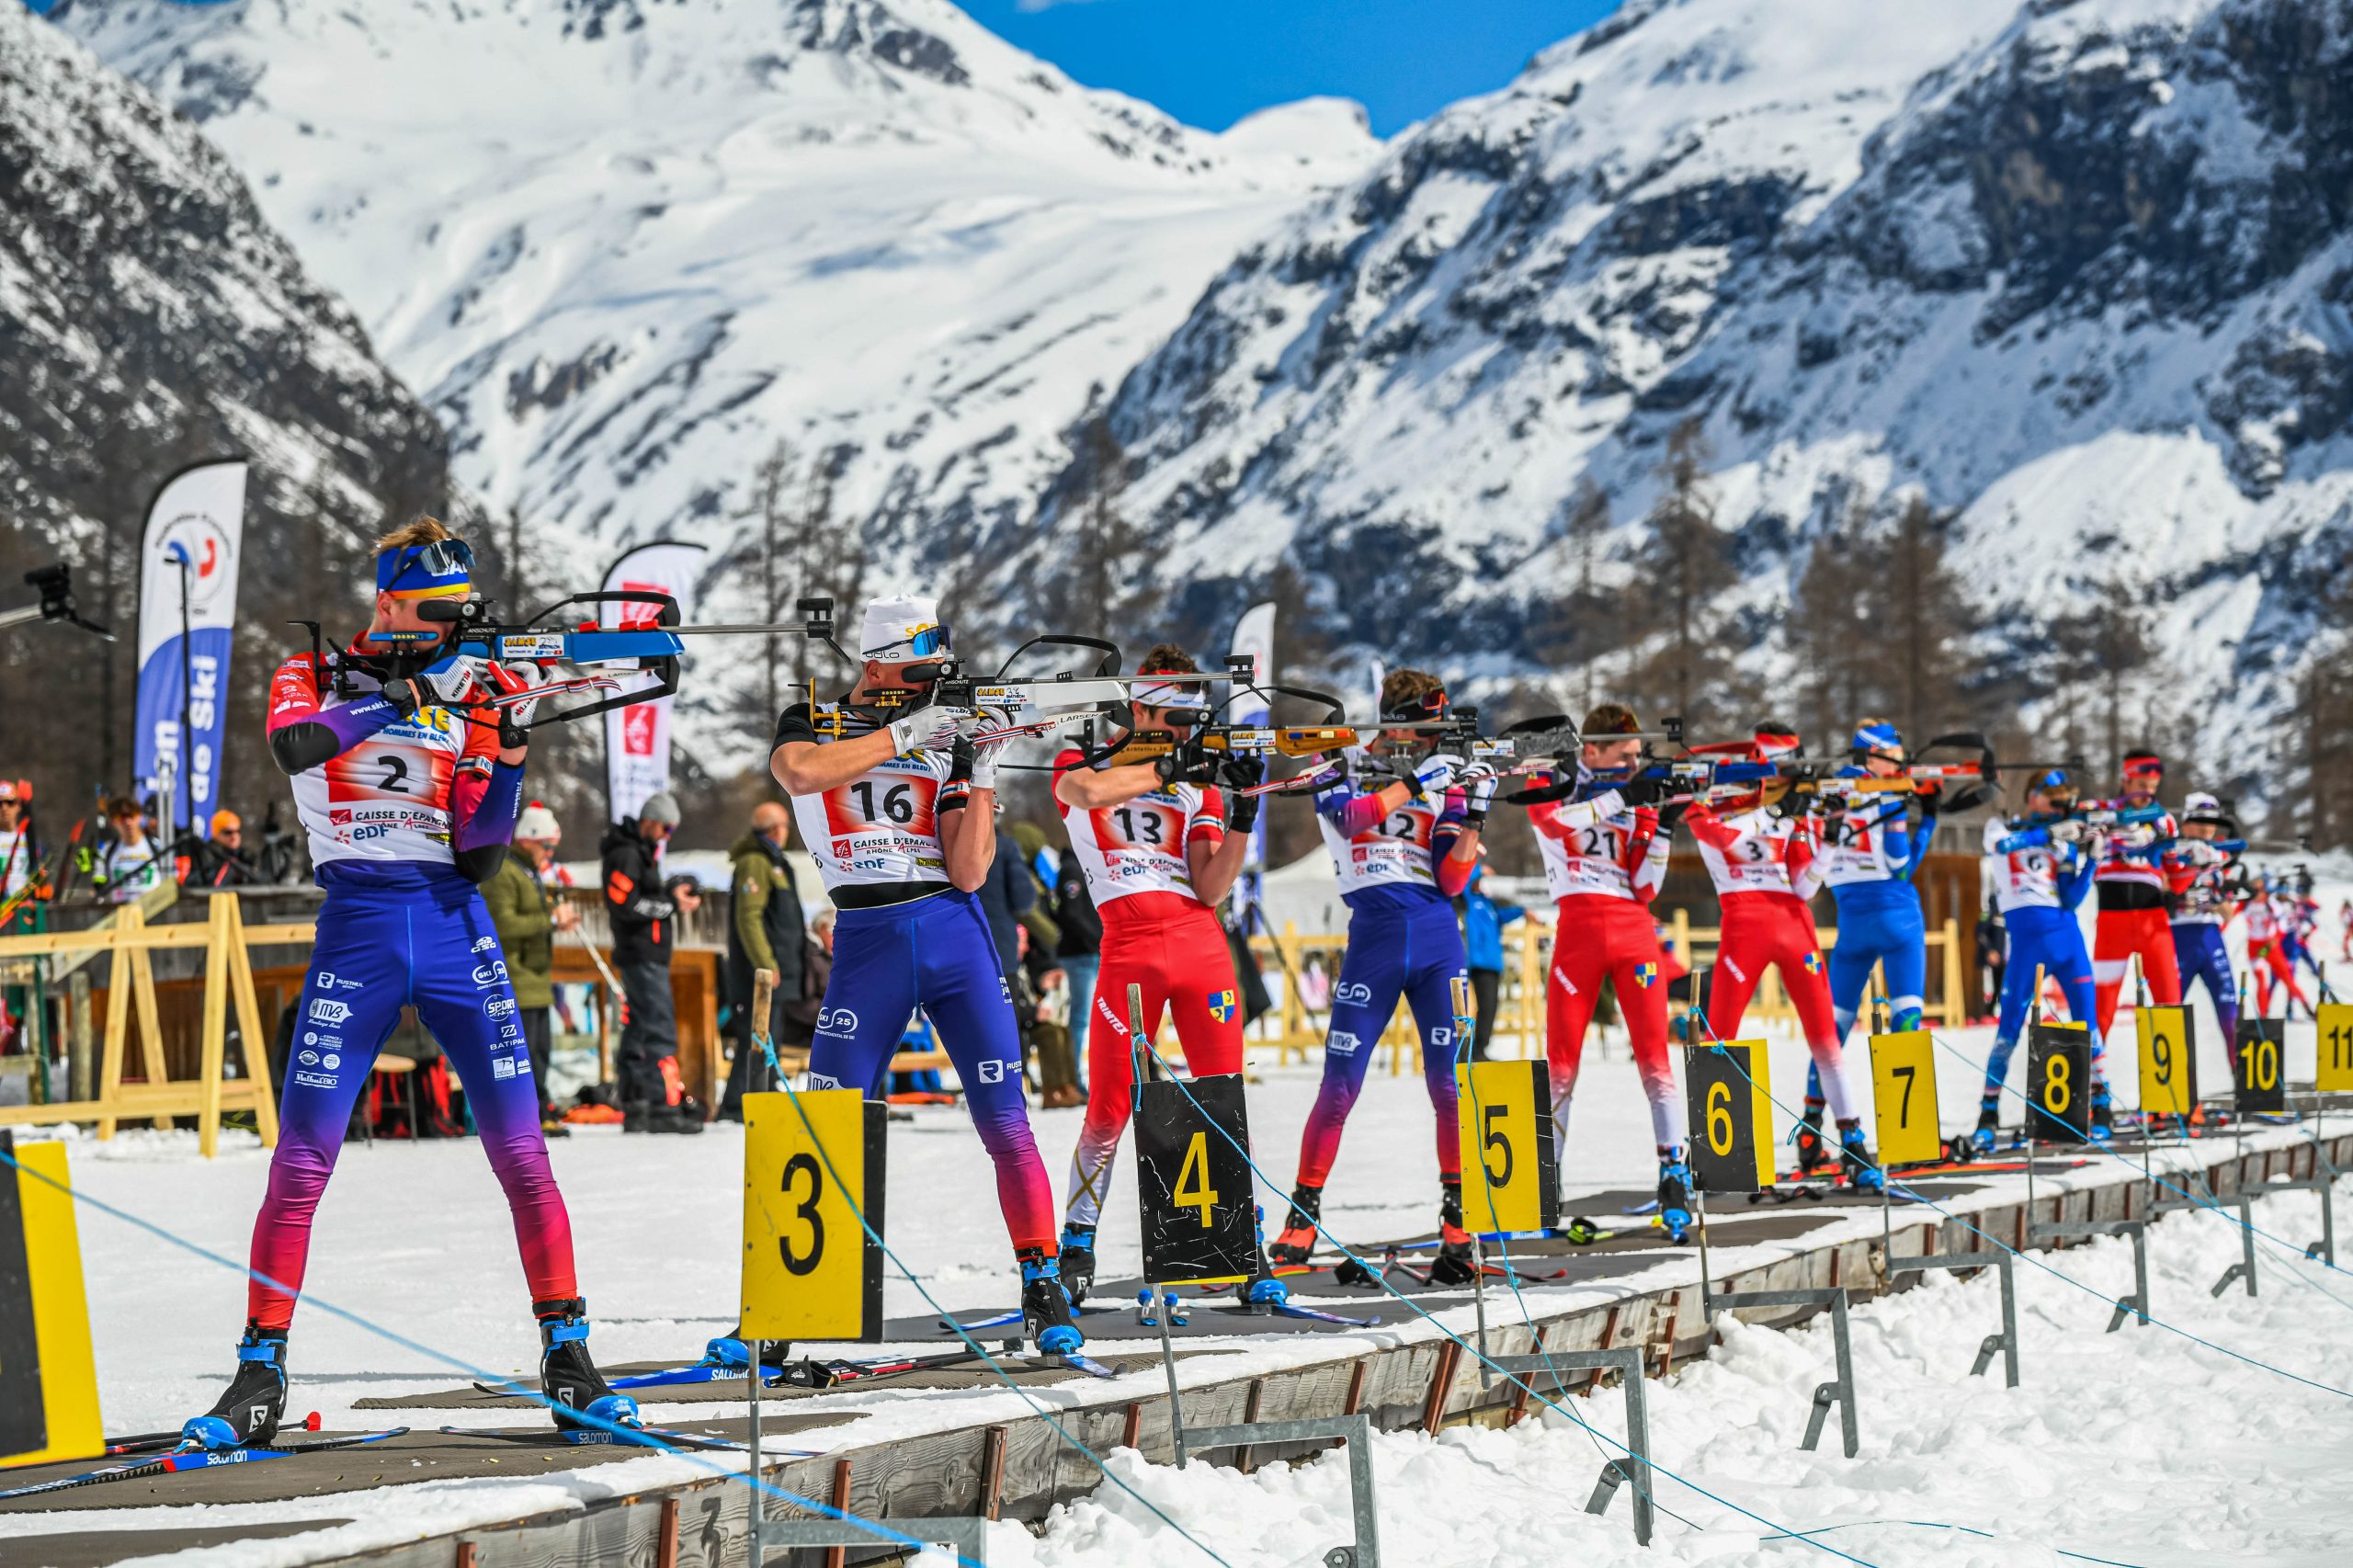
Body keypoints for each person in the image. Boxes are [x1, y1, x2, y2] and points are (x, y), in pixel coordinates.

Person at [188, 517, 631, 1449]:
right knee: (303, 1156)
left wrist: (506, 748)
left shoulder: (463, 685)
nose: (445, 628)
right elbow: (299, 746)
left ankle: (569, 1354)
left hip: (451, 924)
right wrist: (416, 689)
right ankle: (258, 1368)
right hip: (356, 923)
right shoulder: (310, 669)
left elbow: (478, 851)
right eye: (430, 612)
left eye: (457, 614)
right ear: (386, 602)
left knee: (523, 1149)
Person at [768, 594, 1079, 1353]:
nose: (925, 684)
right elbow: (801, 774)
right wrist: (905, 733)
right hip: (868, 939)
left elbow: (971, 871)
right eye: (913, 672)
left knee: (1005, 1119)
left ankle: (1044, 1285)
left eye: (933, 672)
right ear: (875, 665)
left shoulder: (944, 732)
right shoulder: (814, 715)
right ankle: (791, 1305)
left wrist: (978, 771)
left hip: (952, 933)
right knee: (829, 1121)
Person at [1048, 645, 1268, 1306]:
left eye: (1189, 720)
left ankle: (1240, 1242)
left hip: (1200, 946)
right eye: (1171, 718)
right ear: (1137, 709)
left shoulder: (1195, 778)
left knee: (1221, 1097)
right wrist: (1167, 766)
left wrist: (1244, 811)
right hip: (1130, 947)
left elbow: (1210, 887)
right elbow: (1083, 792)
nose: (1181, 732)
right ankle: (1077, 1239)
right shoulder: (1082, 760)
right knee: (1111, 1103)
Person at [1269, 669, 1489, 1283]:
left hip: (1439, 936)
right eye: (1424, 730)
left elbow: (1451, 879)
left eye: (1437, 733)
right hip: (1374, 936)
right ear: (1397, 722)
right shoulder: (1345, 759)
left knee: (1450, 1084)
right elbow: (1347, 819)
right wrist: (1416, 781)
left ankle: (1458, 1220)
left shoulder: (1441, 774)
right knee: (1340, 1086)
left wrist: (1473, 813)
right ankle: (1301, 1217)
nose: (1430, 742)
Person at [1679, 723, 1881, 1191]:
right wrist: (1774, 811)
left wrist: (1828, 839)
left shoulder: (1793, 811)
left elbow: (1806, 886)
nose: (1787, 777)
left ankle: (1852, 1140)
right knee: (1719, 1033)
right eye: (1778, 768)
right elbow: (1718, 837)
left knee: (1825, 1039)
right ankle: (1706, 1152)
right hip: (1743, 920)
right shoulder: (1716, 800)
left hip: (1793, 923)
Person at [1517, 703, 1689, 1233]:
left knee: (1656, 1058)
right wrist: (1621, 796)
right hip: (1578, 931)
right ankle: (1547, 1183)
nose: (1633, 765)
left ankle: (1673, 1174)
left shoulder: (1633, 796)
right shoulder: (1557, 780)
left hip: (1634, 932)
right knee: (1561, 1062)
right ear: (1592, 750)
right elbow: (1549, 822)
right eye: (1625, 755)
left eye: (1638, 757)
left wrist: (1662, 827)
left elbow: (1646, 887)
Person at [1801, 721, 1940, 1170]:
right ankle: (1910, 1138)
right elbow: (1901, 864)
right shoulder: (1887, 794)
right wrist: (1926, 818)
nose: (1900, 765)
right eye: (1895, 757)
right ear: (1876, 757)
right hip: (1898, 917)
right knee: (1907, 1020)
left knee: (1832, 1032)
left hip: (1851, 923)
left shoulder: (1830, 792)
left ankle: (1809, 1130)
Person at [1976, 769, 2098, 1148]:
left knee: (2088, 1024)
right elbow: (2001, 847)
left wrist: (2090, 859)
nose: (2059, 809)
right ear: (2033, 797)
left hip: (2067, 936)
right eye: (2054, 800)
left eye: (2064, 803)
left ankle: (2102, 1104)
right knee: (2009, 1028)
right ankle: (1988, 1112)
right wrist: (2048, 834)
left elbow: (2072, 898)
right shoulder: (2002, 826)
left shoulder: (2064, 840)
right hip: (2027, 941)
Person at [601, 791, 704, 1132]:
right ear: (649, 821)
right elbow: (624, 903)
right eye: (665, 828)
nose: (666, 836)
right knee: (659, 1028)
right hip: (641, 954)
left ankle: (638, 1105)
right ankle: (662, 1106)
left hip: (646, 954)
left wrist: (671, 893)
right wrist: (670, 905)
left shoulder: (641, 854)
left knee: (639, 1030)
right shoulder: (628, 854)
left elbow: (640, 898)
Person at [483, 801, 577, 1134]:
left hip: (536, 980)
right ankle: (522, 1118)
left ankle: (538, 1112)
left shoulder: (529, 872)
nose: (549, 854)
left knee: (540, 1053)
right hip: (516, 981)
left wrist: (554, 918)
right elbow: (503, 924)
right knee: (521, 1056)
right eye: (547, 846)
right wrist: (550, 920)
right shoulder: (504, 873)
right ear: (528, 840)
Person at [2088, 752, 2182, 1084]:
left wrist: (2194, 862)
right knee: (2100, 1009)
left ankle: (2174, 1098)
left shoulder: (2164, 820)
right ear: (2124, 779)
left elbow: (2178, 875)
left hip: (2152, 921)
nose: (2147, 792)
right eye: (2141, 784)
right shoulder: (2103, 812)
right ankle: (2092, 1091)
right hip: (2111, 921)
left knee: (2169, 1003)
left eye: (2153, 786)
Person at [720, 800, 806, 1119]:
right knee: (755, 1036)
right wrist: (766, 963)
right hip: (761, 971)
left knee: (770, 1035)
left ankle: (765, 1094)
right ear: (774, 829)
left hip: (778, 967)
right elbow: (749, 917)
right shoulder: (756, 862)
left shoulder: (774, 860)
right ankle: (738, 1104)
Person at [2164, 791, 2241, 1074]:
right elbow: (2161, 891)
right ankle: (2169, 1095)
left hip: (2210, 938)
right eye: (2199, 823)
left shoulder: (2220, 856)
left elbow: (2230, 911)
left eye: (2211, 823)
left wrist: (2216, 902)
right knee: (2168, 1013)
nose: (2207, 829)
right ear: (2185, 824)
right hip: (2176, 938)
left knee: (2230, 1011)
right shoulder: (2170, 851)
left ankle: (2244, 1087)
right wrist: (2177, 896)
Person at [1457, 857, 1524, 1062]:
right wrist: (1479, 868)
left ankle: (1479, 1049)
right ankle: (1460, 1051)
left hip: (1490, 963)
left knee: (1489, 1007)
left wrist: (1523, 911)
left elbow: (1503, 915)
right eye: (1478, 878)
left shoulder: (1488, 903)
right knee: (1459, 1008)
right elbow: (1463, 879)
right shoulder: (1465, 899)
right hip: (1472, 961)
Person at [93, 795, 166, 903]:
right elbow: (99, 886)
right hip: (120, 912)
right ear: (113, 822)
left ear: (139, 817)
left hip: (152, 910)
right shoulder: (106, 851)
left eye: (132, 815)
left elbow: (171, 882)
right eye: (121, 818)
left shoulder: (158, 846)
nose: (127, 822)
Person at [187, 809, 265, 888]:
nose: (234, 836)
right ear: (216, 834)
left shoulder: (247, 857)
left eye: (237, 831)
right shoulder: (205, 855)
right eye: (228, 832)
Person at [0, 780, 40, 910]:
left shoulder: (29, 839)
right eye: (0, 804)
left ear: (18, 806)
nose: (4, 808)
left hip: (26, 907)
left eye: (10, 802)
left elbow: (37, 869)